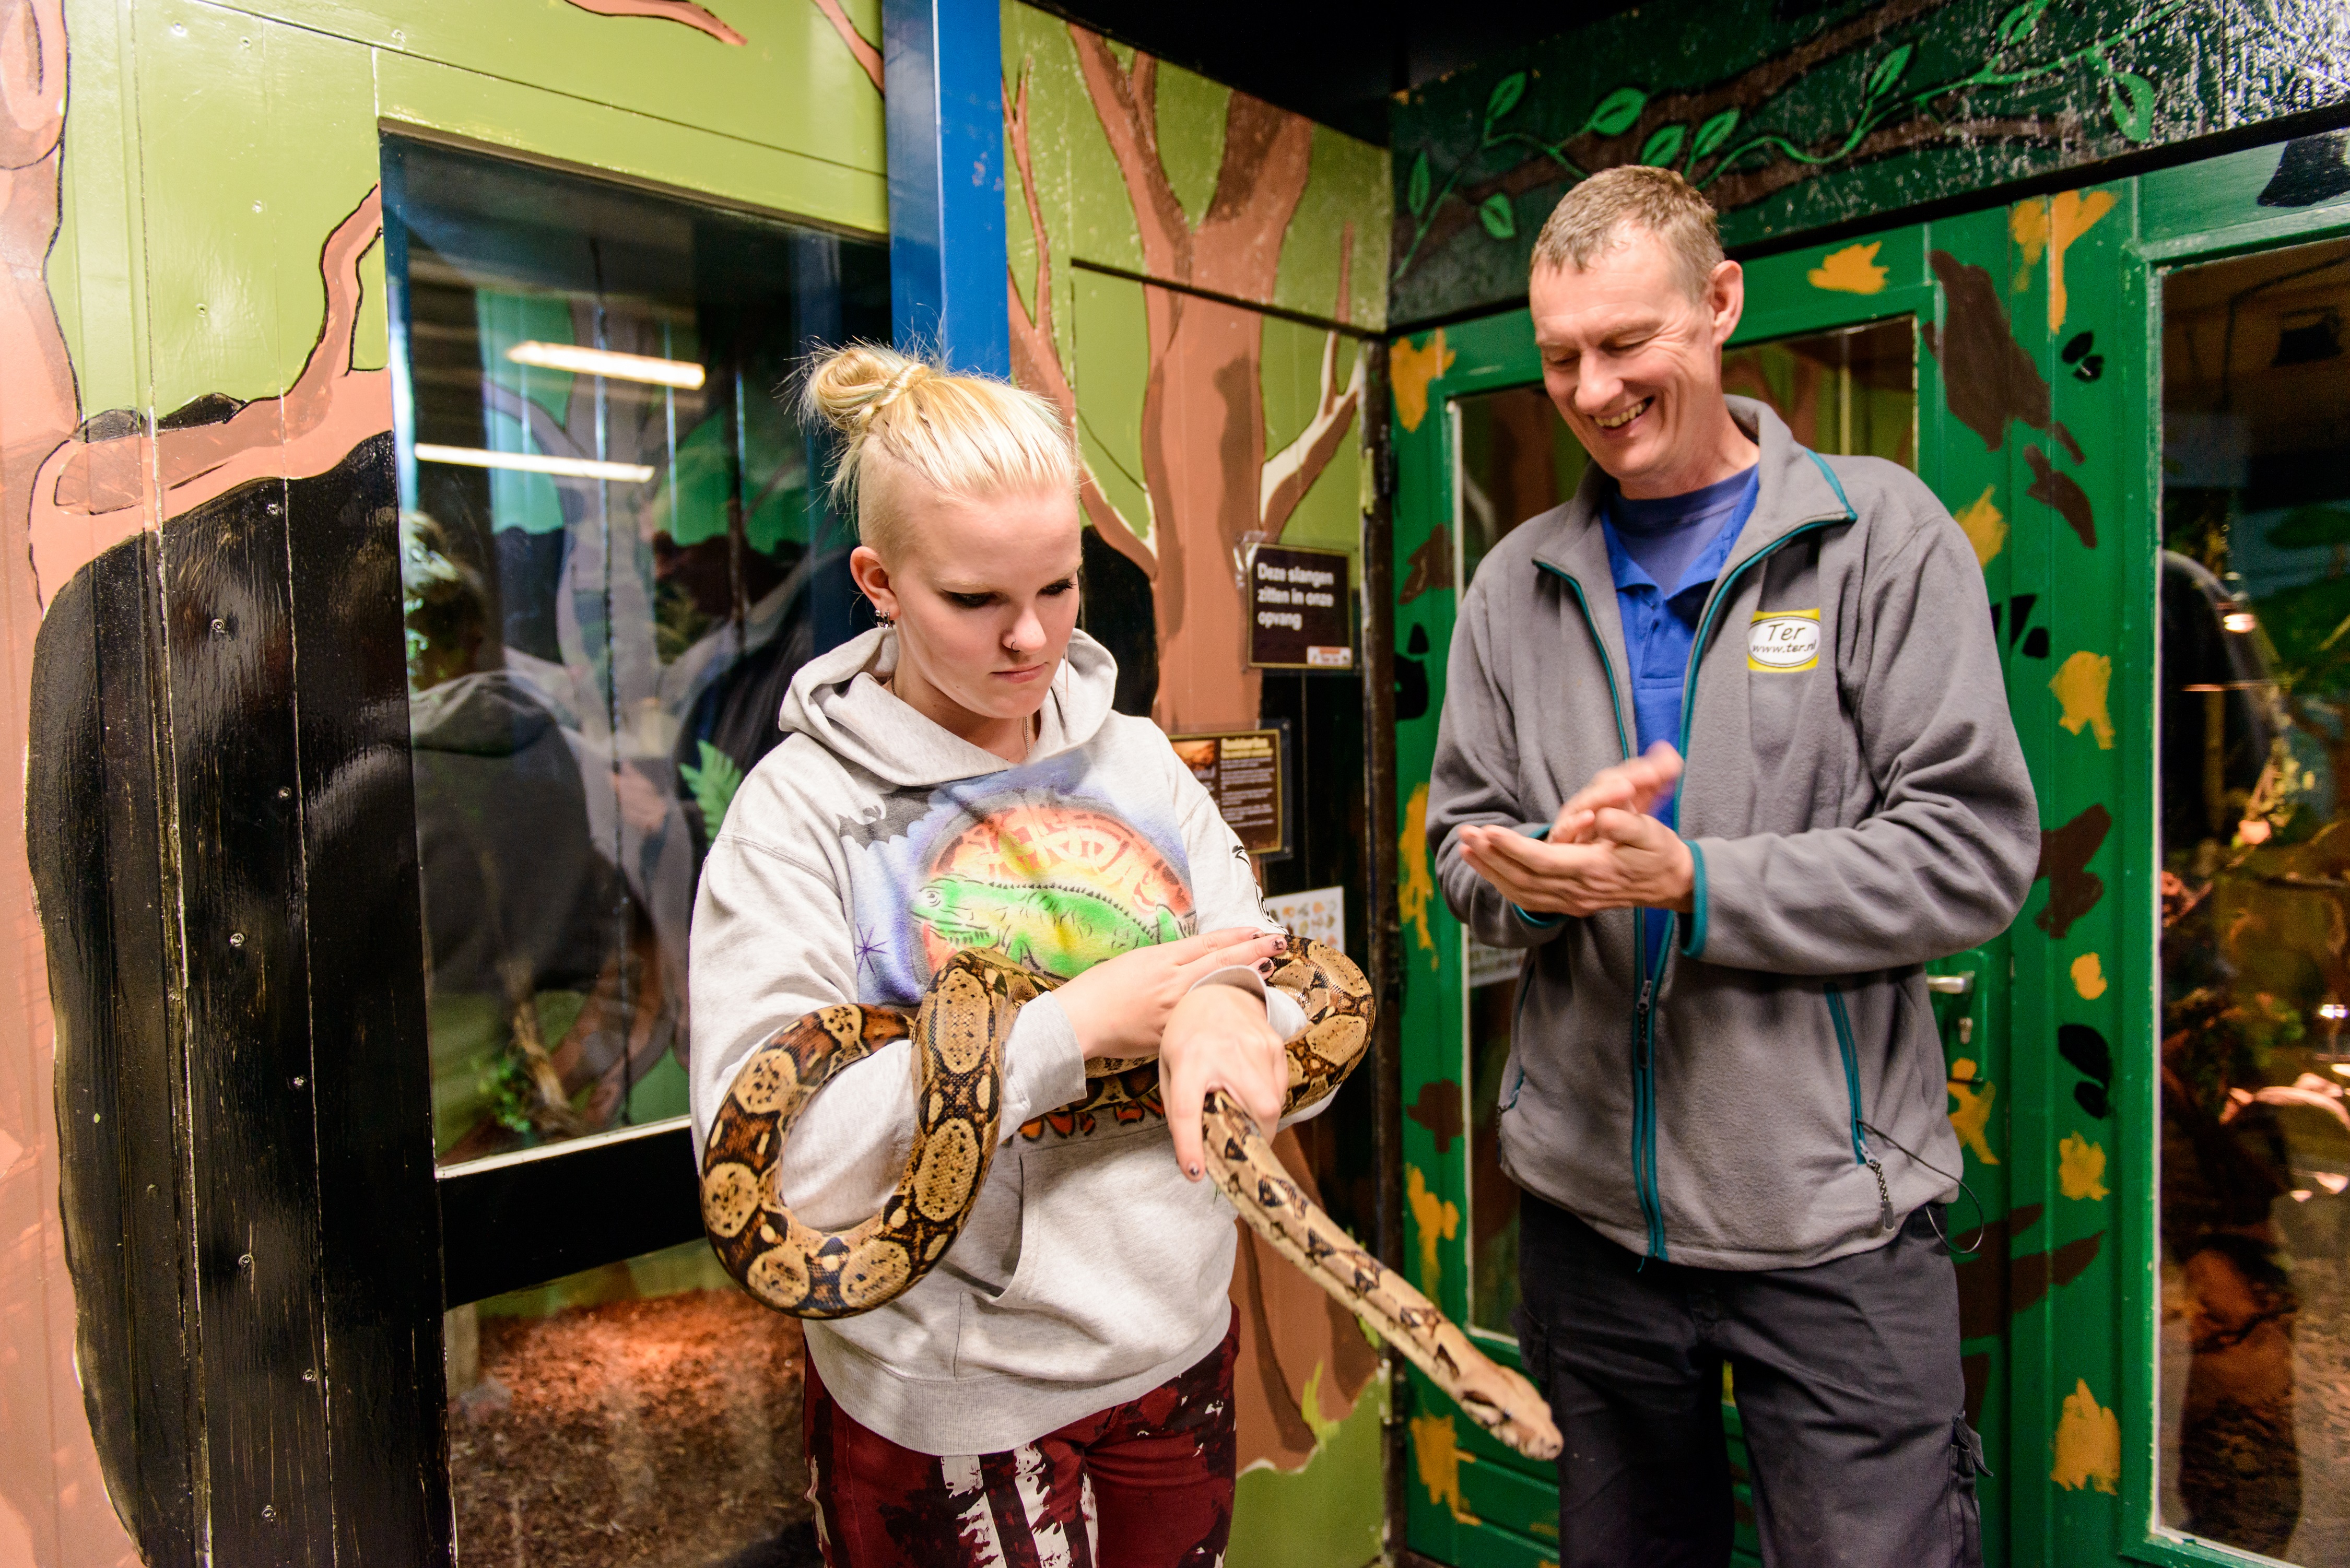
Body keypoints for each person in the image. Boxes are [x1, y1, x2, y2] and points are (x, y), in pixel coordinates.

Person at [1426, 166, 2039, 1567]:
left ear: (1717, 305)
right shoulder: (1512, 583)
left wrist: (1690, 882)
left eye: (1625, 343)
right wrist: (1527, 875)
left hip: (1830, 1232)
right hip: (1586, 1228)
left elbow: (1969, 854)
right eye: (1560, 356)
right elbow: (1457, 839)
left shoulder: (1881, 537)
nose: (1589, 389)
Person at [688, 343, 1320, 1567]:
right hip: (947, 1404)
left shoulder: (1138, 761)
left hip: (1180, 1343)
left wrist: (1224, 1011)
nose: (1029, 638)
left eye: (1061, 586)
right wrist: (1073, 1030)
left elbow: (1264, 972)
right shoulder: (799, 815)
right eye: (974, 600)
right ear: (878, 578)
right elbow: (779, 1175)